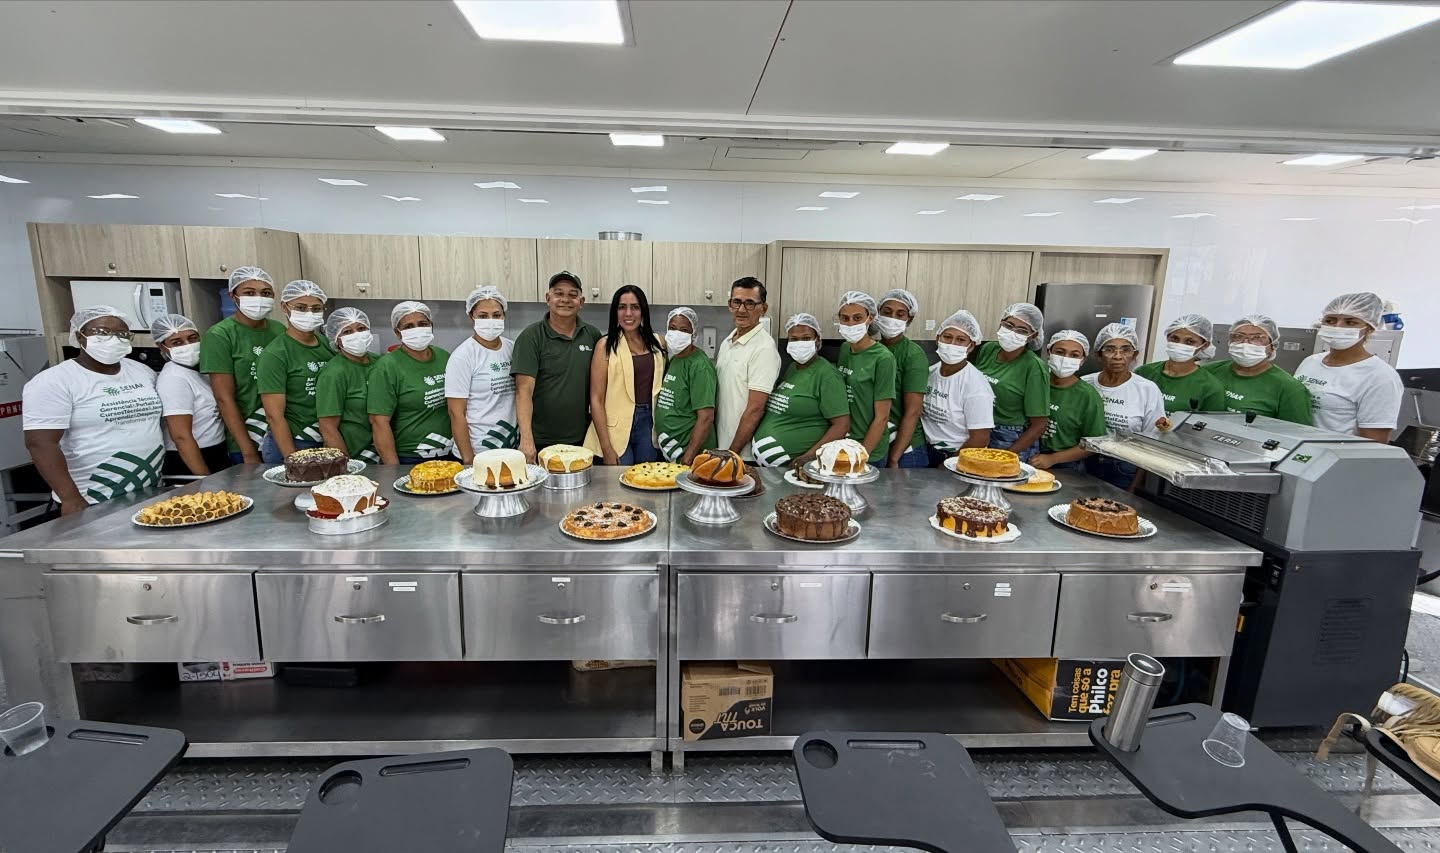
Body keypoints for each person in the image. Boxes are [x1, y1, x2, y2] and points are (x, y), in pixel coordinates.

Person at [22, 306, 163, 514]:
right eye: (102, 332)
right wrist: (70, 499)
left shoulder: (142, 372)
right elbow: (40, 444)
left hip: (148, 487)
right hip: (92, 495)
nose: (114, 339)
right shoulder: (54, 381)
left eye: (122, 334)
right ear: (80, 336)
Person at [512, 271, 603, 462]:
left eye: (572, 295)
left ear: (581, 301)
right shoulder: (531, 337)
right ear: (548, 298)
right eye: (559, 293)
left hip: (584, 439)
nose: (565, 300)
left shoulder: (593, 336)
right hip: (541, 441)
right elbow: (523, 391)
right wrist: (526, 439)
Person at [199, 266, 284, 463]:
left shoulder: (279, 330)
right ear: (233, 296)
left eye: (265, 293)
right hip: (247, 437)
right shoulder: (220, 335)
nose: (258, 298)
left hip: (280, 432)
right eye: (249, 293)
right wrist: (248, 452)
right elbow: (224, 398)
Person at [1294, 292, 1404, 441]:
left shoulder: (1380, 377)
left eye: (1350, 322)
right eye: (1330, 320)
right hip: (1295, 449)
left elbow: (1374, 443)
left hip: (1336, 454)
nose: (1338, 327)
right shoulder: (1310, 362)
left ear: (1369, 329)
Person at [752, 313, 850, 468]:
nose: (800, 343)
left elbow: (841, 425)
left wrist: (808, 457)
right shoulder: (793, 368)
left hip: (798, 466)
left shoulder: (827, 375)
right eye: (794, 339)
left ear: (818, 340)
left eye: (806, 338)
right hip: (773, 469)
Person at [584, 285, 667, 465]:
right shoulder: (604, 346)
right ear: (615, 312)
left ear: (643, 311)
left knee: (646, 477)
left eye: (635, 307)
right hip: (614, 428)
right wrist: (606, 448)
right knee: (619, 479)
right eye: (622, 307)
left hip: (649, 425)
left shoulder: (658, 343)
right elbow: (596, 399)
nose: (628, 313)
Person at [256, 280, 333, 463]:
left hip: (323, 437)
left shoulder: (325, 344)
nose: (309, 313)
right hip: (293, 441)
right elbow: (274, 416)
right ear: (285, 307)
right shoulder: (275, 355)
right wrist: (294, 460)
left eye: (316, 308)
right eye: (301, 307)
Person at [1083, 323, 1167, 489]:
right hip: (1085, 460)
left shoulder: (1147, 389)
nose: (1118, 356)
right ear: (1099, 354)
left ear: (1134, 355)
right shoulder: (1085, 383)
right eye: (1109, 349)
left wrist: (1134, 487)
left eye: (1126, 350)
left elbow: (1150, 443)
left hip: (1124, 467)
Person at [368, 301, 452, 464]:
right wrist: (393, 469)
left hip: (450, 452)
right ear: (397, 333)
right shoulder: (387, 367)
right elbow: (379, 422)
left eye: (422, 324)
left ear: (431, 326)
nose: (417, 330)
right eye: (408, 326)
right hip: (410, 456)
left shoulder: (444, 357)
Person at [445, 286, 518, 464]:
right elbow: (456, 413)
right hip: (479, 450)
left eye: (496, 315)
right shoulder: (463, 356)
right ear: (472, 316)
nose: (490, 321)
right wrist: (469, 459)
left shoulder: (512, 348)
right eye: (483, 316)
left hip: (511, 446)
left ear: (504, 316)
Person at [151, 313, 230, 476]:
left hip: (215, 451)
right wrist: (204, 478)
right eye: (177, 342)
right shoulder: (174, 378)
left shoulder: (199, 370)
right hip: (191, 459)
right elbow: (181, 436)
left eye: (192, 338)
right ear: (162, 346)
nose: (188, 345)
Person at [972, 302, 1050, 461]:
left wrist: (1007, 455)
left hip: (1010, 437)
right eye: (1008, 325)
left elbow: (1039, 425)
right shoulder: (988, 350)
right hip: (980, 427)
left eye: (1022, 330)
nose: (1012, 332)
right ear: (1001, 323)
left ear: (1032, 336)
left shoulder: (1034, 367)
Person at [716, 276, 782, 460]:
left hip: (742, 455)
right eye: (737, 302)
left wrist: (731, 454)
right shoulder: (727, 342)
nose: (742, 309)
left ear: (763, 308)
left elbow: (755, 409)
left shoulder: (764, 349)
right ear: (729, 305)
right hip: (722, 446)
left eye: (750, 303)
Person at [1205, 314, 1312, 425]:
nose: (1245, 343)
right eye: (1238, 336)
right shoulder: (1210, 371)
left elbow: (1297, 431)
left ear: (1272, 346)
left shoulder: (1290, 389)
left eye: (1257, 338)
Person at [919, 309, 995, 466]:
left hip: (956, 454)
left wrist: (951, 463)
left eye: (960, 340)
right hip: (925, 450)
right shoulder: (930, 373)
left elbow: (980, 438)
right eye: (947, 337)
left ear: (971, 346)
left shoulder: (975, 386)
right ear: (938, 339)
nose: (952, 344)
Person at [1031, 330, 1107, 473]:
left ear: (1082, 359)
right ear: (1049, 352)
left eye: (1074, 355)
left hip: (1066, 465)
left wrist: (1053, 459)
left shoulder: (1087, 396)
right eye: (1060, 352)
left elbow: (1094, 444)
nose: (1065, 359)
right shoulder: (1036, 382)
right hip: (1030, 454)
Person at [835, 290, 898, 464]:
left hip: (869, 448)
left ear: (869, 318)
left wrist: (861, 456)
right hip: (843, 443)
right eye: (845, 318)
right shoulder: (845, 349)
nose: (850, 323)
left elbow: (882, 417)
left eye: (857, 318)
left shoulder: (883, 358)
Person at [654, 306, 718, 464]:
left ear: (693, 333)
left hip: (691, 456)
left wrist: (688, 458)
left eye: (683, 330)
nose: (677, 333)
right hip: (674, 450)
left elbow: (706, 417)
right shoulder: (675, 359)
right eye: (672, 328)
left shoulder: (699, 366)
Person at [315, 307, 380, 463]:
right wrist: (347, 466)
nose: (356, 335)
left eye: (361, 328)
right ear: (336, 339)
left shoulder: (380, 363)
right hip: (354, 454)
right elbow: (328, 427)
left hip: (381, 452)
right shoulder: (333, 374)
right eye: (347, 332)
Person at [876, 288, 930, 468]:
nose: (892, 318)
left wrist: (894, 458)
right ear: (877, 314)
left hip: (905, 449)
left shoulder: (913, 355)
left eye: (900, 314)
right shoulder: (873, 349)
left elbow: (913, 412)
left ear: (909, 319)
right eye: (887, 312)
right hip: (881, 440)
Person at [1135, 314, 1226, 413]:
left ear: (1204, 345)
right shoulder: (1144, 373)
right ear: (1168, 337)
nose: (1180, 344)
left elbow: (1211, 422)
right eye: (1175, 338)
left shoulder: (1210, 387)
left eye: (1190, 341)